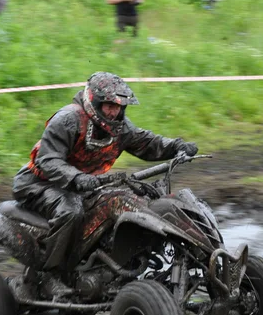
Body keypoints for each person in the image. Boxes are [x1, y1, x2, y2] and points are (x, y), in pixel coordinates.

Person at [12, 71, 198, 298]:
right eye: (109, 105)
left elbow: (147, 142)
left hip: (82, 185)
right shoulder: (68, 120)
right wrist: (77, 178)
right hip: (38, 183)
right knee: (71, 211)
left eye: (119, 106)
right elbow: (48, 159)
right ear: (94, 102)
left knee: (131, 198)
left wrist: (177, 146)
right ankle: (50, 275)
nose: (114, 111)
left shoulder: (121, 127)